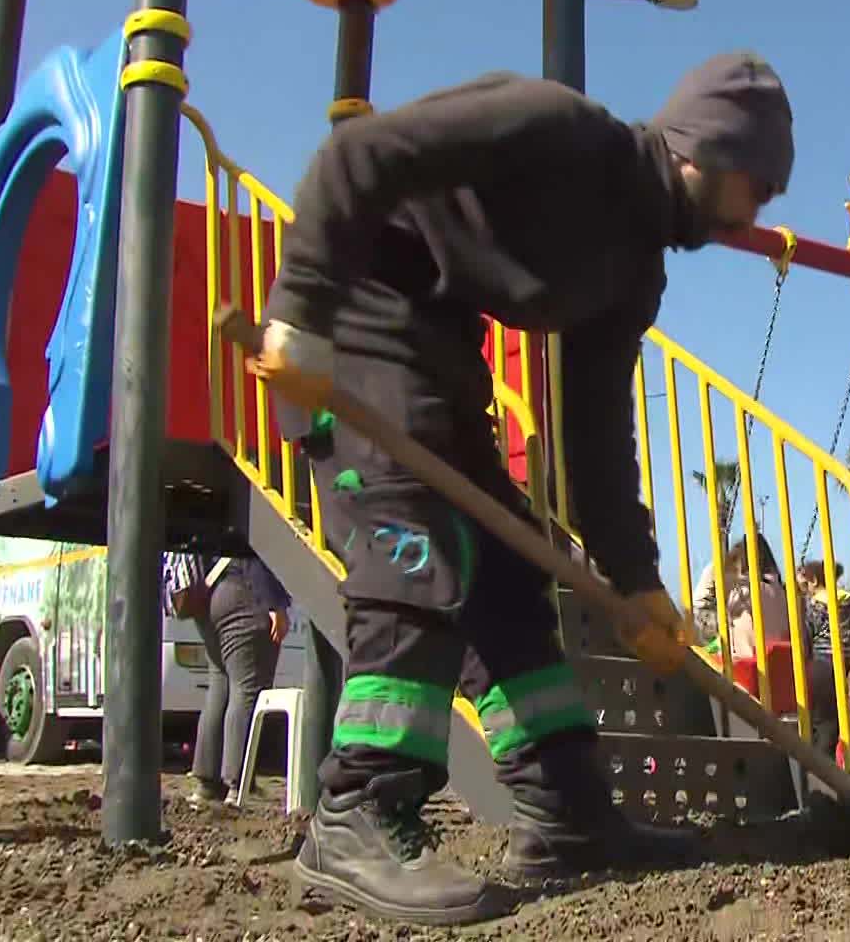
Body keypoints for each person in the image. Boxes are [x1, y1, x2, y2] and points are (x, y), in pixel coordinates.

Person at [249, 52, 794, 925]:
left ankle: (567, 814)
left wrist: (634, 579)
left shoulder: (635, 270)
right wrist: (301, 311)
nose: (753, 215)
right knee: (418, 539)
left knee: (506, 561)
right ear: (711, 150)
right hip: (350, 318)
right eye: (756, 190)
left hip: (436, 345)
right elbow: (357, 156)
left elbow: (595, 430)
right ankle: (356, 809)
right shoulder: (557, 129)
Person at [188, 556, 292, 808]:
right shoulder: (243, 517)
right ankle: (238, 784)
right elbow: (256, 551)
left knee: (220, 687)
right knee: (247, 689)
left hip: (208, 598)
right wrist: (274, 603)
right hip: (243, 594)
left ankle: (206, 785)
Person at [801, 560, 850, 754]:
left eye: (806, 585)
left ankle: (818, 768)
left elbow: (806, 639)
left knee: (819, 722)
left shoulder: (815, 605)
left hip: (819, 665)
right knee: (833, 722)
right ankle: (825, 763)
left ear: (813, 581)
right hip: (842, 665)